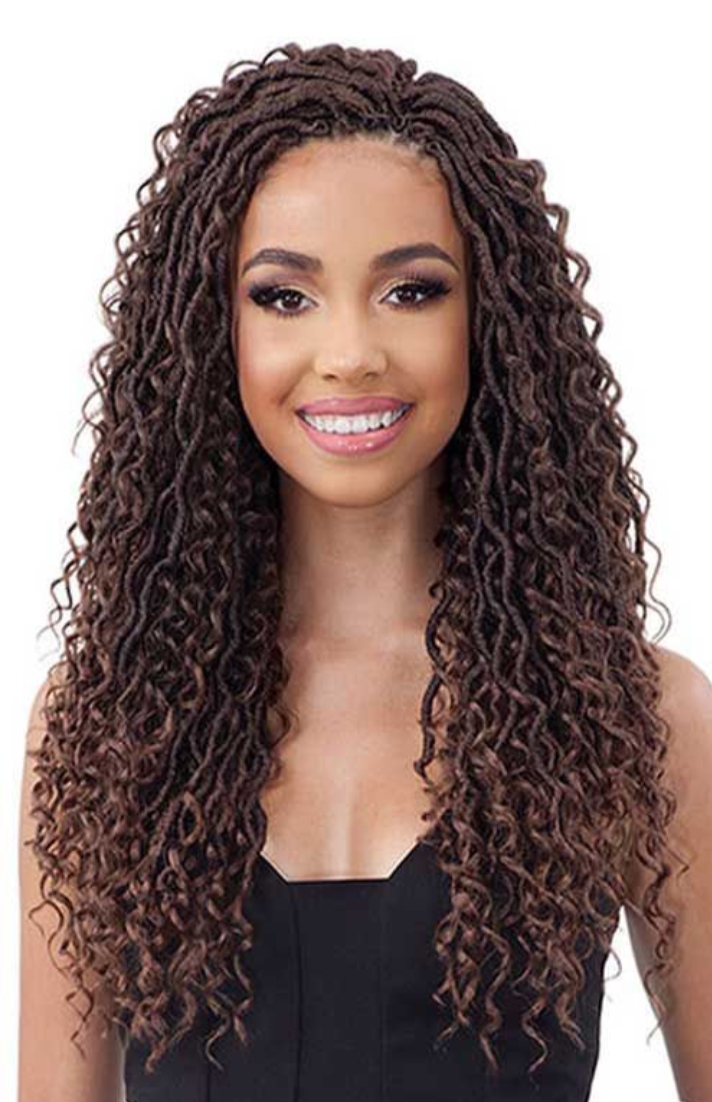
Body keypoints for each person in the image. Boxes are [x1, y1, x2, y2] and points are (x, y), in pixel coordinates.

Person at [18, 41, 712, 1102]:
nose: (349, 352)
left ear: (493, 320)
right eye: (285, 297)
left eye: (411, 290)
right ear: (211, 330)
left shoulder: (636, 715)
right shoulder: (110, 722)